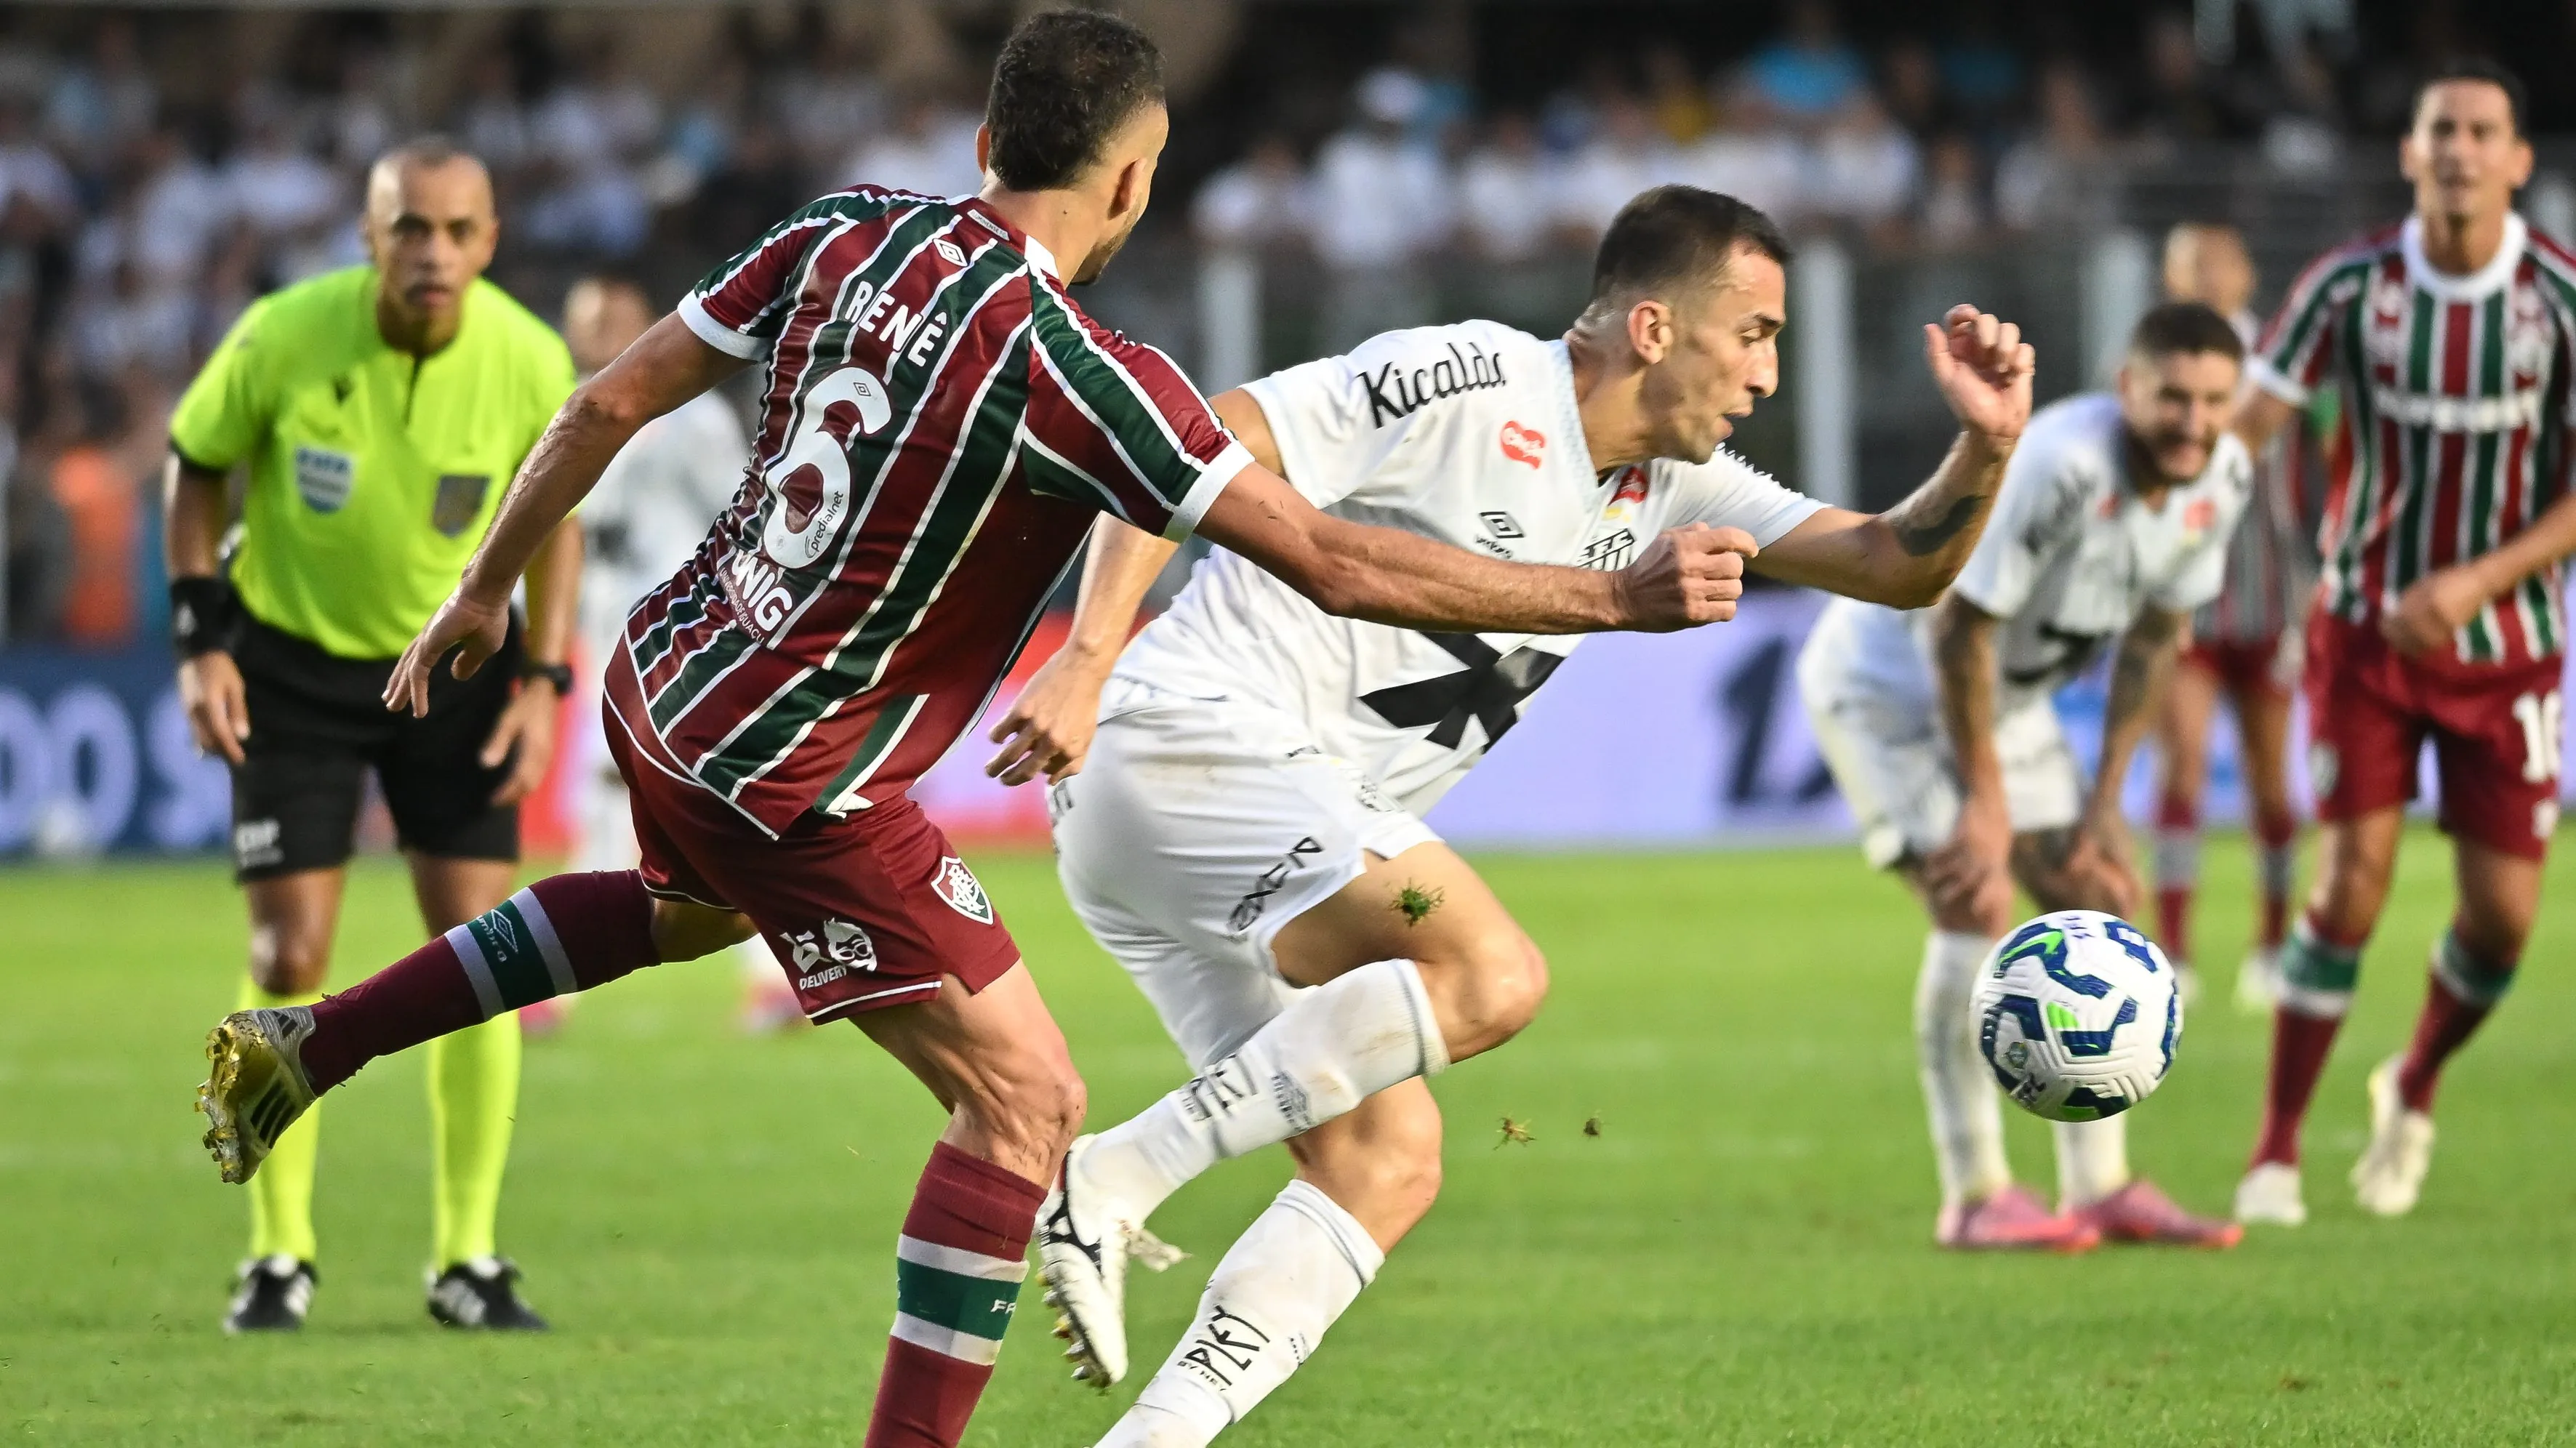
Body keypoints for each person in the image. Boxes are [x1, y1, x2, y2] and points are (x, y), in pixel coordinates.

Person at [193, 15, 1752, 1447]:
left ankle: (308, 1043)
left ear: (987, 145)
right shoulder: (1084, 375)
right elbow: (1334, 560)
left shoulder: (843, 228)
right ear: (1131, 179)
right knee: (1027, 1104)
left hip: (667, 674)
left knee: (684, 915)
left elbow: (606, 401)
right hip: (798, 767)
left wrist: (481, 588)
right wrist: (1608, 603)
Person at [1001, 185, 2038, 1443]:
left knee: (1385, 1162)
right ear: (1654, 327)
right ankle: (1115, 1172)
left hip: (1230, 833)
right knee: (1486, 968)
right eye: (1754, 332)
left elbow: (1895, 565)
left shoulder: (1677, 486)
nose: (1769, 371)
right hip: (1185, 740)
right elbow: (1180, 450)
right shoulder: (1472, 373)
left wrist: (1983, 451)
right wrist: (1088, 653)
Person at [166, 139, 579, 1332]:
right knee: (288, 954)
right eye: (410, 228)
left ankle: (468, 1258)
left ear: (490, 241)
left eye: (458, 231)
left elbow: (552, 520)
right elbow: (192, 468)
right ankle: (278, 1252)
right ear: (369, 234)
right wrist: (200, 645)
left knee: (481, 954)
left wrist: (543, 677)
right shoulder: (282, 335)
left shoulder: (526, 355)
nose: (433, 253)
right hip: (289, 666)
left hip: (451, 671)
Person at [1799, 302, 2254, 1255]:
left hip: (1998, 698)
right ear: (2126, 388)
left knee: (2093, 890)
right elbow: (1957, 627)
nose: (2191, 420)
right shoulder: (2061, 463)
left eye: (2213, 400)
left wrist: (2101, 810)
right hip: (1889, 682)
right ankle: (1973, 1195)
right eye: (2170, 395)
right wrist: (1986, 807)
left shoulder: (2221, 477)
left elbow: (2154, 640)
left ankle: (2100, 1187)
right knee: (1973, 896)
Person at [2233, 61, 2576, 1226]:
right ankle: (2272, 1150)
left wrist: (2477, 578)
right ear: (2408, 150)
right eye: (2439, 128)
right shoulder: (2348, 287)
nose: (2458, 149)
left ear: (2516, 160)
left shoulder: (2558, 299)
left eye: (2482, 131)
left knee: (2501, 921)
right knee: (2351, 884)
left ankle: (2412, 1076)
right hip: (2363, 633)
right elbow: (2249, 424)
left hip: (2509, 644)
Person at [545, 273, 798, 1037]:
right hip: (604, 634)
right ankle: (560, 982)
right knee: (605, 807)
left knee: (705, 804)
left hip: (680, 642)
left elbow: (743, 510)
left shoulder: (689, 418)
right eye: (588, 324)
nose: (600, 336)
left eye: (614, 319)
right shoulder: (567, 416)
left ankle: (774, 977)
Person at [2145, 222, 2312, 1012]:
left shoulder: (2284, 366)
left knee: (2271, 784)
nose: (2208, 278)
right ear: (2171, 280)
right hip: (2183, 604)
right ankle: (2173, 950)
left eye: (2220, 263)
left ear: (2246, 275)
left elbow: (2321, 479)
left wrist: (2319, 585)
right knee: (2180, 767)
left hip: (2272, 600)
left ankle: (2274, 946)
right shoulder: (2149, 374)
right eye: (2191, 267)